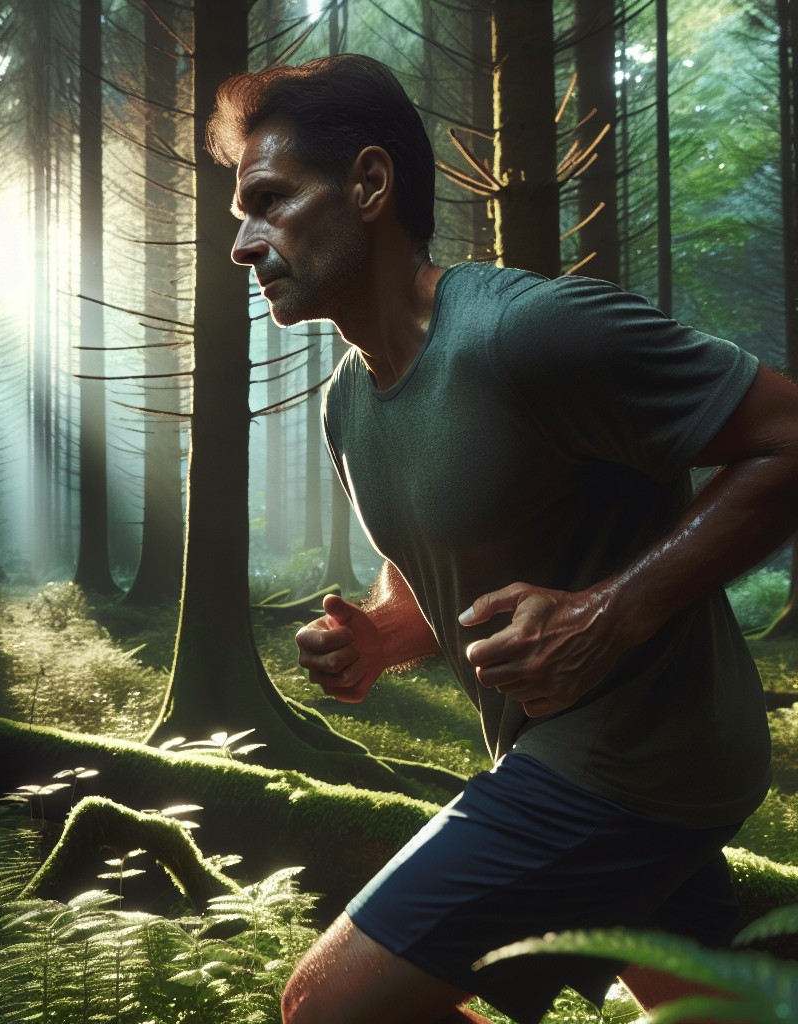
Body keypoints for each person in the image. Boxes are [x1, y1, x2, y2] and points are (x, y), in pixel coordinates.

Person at [208, 54, 798, 1024]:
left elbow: (784, 439)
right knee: (709, 1014)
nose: (244, 242)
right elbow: (453, 566)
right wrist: (381, 636)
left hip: (637, 757)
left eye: (270, 201)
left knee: (328, 1009)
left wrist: (607, 615)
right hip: (571, 755)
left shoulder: (534, 333)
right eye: (242, 212)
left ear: (367, 184)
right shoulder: (345, 406)